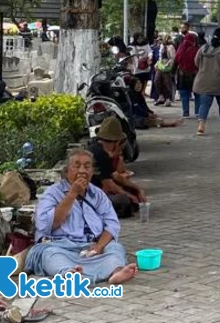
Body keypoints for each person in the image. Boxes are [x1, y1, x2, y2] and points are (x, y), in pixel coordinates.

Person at [25, 149, 138, 285]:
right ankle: (70, 274)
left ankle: (115, 272)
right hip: (60, 246)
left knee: (115, 248)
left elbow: (112, 225)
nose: (82, 170)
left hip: (91, 247)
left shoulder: (98, 194)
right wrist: (72, 194)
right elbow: (50, 224)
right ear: (67, 171)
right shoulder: (52, 193)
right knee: (49, 255)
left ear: (92, 172)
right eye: (77, 166)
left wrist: (98, 248)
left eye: (87, 166)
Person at [87, 117, 147, 218]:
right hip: (89, 195)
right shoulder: (98, 153)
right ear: (116, 142)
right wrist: (130, 197)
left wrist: (138, 189)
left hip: (98, 190)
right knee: (123, 202)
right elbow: (108, 185)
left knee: (131, 192)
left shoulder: (102, 151)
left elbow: (116, 176)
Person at [193, 27, 220, 135]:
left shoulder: (203, 48)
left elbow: (196, 63)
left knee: (204, 104)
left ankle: (201, 126)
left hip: (204, 81)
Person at [174, 33, 201, 118]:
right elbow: (199, 62)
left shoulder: (180, 49)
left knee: (184, 94)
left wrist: (172, 72)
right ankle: (197, 112)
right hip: (195, 74)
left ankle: (186, 112)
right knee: (197, 94)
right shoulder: (196, 50)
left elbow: (176, 61)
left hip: (182, 75)